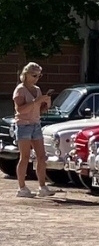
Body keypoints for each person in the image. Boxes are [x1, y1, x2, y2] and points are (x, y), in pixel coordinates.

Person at [12, 63, 55, 197]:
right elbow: (20, 109)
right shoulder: (20, 89)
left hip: (36, 124)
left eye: (39, 76)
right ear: (26, 74)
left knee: (41, 156)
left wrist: (46, 103)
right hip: (23, 125)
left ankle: (42, 186)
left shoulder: (37, 89)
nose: (36, 78)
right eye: (34, 75)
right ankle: (22, 187)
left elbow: (39, 110)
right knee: (24, 157)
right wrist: (37, 101)